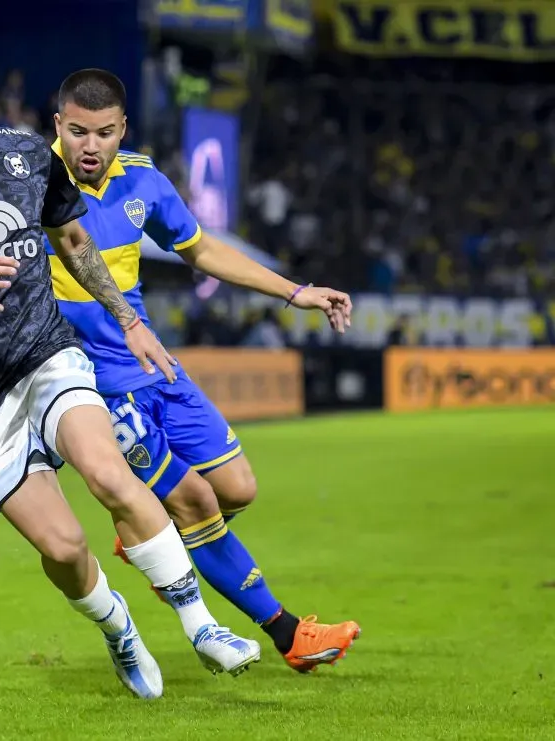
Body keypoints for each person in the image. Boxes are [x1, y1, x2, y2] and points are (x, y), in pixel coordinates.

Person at [0, 19, 260, 701]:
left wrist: (128, 319)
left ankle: (202, 626)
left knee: (111, 473)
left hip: (48, 358)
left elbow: (74, 239)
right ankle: (119, 629)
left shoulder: (27, 155)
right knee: (66, 548)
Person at [45, 69, 361, 673]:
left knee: (237, 487)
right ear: (59, 125)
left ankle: (147, 534)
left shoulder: (143, 179)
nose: (91, 146)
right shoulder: (32, 182)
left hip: (152, 362)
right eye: (78, 132)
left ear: (123, 130)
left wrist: (293, 293)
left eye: (104, 133)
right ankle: (289, 633)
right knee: (193, 500)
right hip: (92, 383)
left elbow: (201, 250)